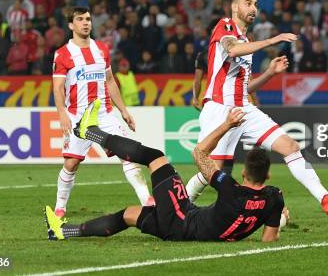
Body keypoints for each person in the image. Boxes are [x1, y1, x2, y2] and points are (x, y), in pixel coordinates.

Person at [185, 0, 328, 216]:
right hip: (220, 109)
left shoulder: (248, 40)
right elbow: (232, 48)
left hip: (243, 109)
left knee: (290, 146)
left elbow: (244, 87)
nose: (253, 8)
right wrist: (273, 40)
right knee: (212, 171)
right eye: (248, 3)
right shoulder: (225, 25)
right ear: (235, 7)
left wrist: (269, 73)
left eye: (256, 4)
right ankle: (178, 205)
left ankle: (326, 198)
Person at [45, 101, 288, 242]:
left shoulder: (231, 189)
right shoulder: (273, 198)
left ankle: (89, 132)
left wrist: (226, 125)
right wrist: (279, 216)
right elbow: (269, 240)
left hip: (181, 220)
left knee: (155, 157)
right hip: (184, 227)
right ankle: (62, 231)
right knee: (129, 215)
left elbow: (199, 154)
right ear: (268, 175)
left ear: (244, 173)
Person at [51, 7, 151, 218]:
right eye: (80, 19)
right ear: (71, 25)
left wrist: (123, 110)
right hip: (77, 116)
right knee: (71, 163)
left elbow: (110, 81)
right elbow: (58, 87)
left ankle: (148, 202)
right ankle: (60, 207)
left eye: (88, 19)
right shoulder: (62, 54)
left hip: (105, 114)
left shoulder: (102, 49)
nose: (85, 23)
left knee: (128, 155)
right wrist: (61, 113)